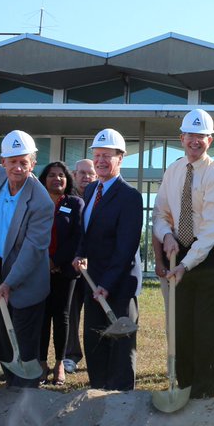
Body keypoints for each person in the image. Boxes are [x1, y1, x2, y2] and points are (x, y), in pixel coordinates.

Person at [153, 109, 214, 399]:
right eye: (191, 136)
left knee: (207, 330)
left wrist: (185, 265)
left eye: (201, 136)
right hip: (182, 250)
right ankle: (184, 387)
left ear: (210, 140)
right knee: (181, 326)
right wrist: (166, 236)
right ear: (182, 138)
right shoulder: (173, 171)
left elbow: (211, 231)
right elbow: (160, 213)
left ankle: (203, 395)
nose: (195, 141)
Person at [0, 131, 55, 388]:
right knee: (4, 337)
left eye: (24, 162)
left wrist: (9, 283)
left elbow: (33, 250)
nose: (18, 168)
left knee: (23, 337)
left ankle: (25, 391)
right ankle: (11, 386)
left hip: (26, 277)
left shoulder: (41, 201)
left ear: (33, 162)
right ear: (3, 161)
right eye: (13, 161)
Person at [74, 128, 143, 391]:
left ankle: (121, 403)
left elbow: (126, 248)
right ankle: (97, 392)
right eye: (98, 155)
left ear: (120, 159)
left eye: (108, 156)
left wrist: (108, 283)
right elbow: (86, 230)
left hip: (119, 286)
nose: (101, 160)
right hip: (93, 284)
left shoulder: (130, 197)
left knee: (121, 347)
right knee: (95, 343)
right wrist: (80, 254)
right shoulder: (91, 190)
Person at [38, 161, 84, 385]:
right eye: (52, 175)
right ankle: (41, 364)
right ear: (44, 179)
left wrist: (55, 261)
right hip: (38, 270)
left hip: (65, 271)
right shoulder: (36, 202)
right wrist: (44, 261)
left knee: (62, 317)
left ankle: (59, 364)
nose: (57, 179)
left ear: (67, 180)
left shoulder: (75, 203)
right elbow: (32, 233)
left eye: (61, 176)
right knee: (42, 316)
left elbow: (77, 236)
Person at [63, 158, 97, 373]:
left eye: (89, 173)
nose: (86, 177)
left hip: (96, 267)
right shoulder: (67, 201)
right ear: (74, 176)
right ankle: (71, 355)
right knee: (71, 312)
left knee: (95, 312)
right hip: (72, 266)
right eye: (81, 173)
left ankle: (97, 354)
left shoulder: (100, 197)